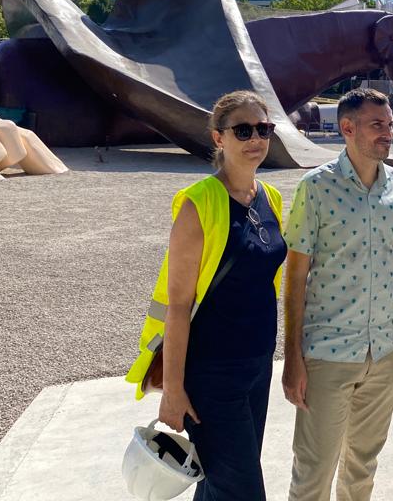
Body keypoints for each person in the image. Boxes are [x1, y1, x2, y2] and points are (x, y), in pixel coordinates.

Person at [125, 90, 287, 501]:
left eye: (263, 129)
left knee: (218, 484)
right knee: (244, 491)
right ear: (219, 138)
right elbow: (178, 306)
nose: (256, 139)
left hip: (256, 364)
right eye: (244, 130)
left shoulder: (271, 199)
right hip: (212, 375)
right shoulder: (197, 204)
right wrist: (174, 390)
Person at [282, 88, 393, 501]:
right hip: (328, 353)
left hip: (384, 350)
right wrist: (292, 356)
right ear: (347, 128)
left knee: (363, 467)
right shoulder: (316, 188)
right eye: (377, 125)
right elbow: (295, 277)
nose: (388, 133)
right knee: (313, 470)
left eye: (390, 125)